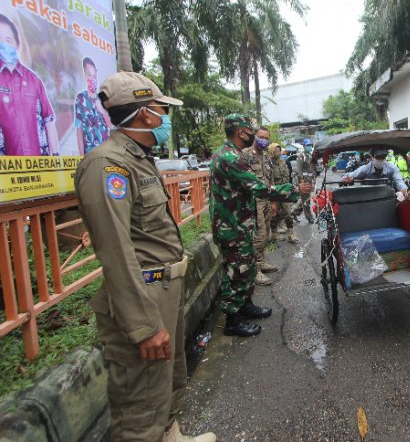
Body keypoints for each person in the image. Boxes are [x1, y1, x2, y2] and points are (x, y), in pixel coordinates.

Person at [75, 71, 215, 442]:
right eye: (159, 109)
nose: (163, 117)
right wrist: (141, 325)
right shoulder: (108, 165)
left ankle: (172, 436)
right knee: (141, 406)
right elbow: (116, 252)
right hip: (143, 295)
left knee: (167, 383)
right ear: (144, 114)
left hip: (163, 289)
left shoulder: (138, 157)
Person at [209, 115, 304, 338]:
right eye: (250, 130)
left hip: (239, 222)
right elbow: (259, 188)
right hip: (231, 226)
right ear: (241, 132)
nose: (253, 134)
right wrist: (294, 191)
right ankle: (233, 319)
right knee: (236, 271)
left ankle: (245, 306)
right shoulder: (231, 157)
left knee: (247, 266)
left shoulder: (227, 153)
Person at [0, 13, 59, 156]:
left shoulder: (34, 81)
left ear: (17, 44)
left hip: (38, 167)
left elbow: (48, 121)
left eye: (8, 40)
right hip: (7, 171)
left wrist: (56, 157)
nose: (3, 44)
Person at [241, 126, 278, 286]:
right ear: (254, 137)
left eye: (266, 137)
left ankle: (261, 261)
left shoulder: (267, 157)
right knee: (259, 235)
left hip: (267, 200)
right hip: (253, 201)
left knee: (267, 232)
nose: (264, 140)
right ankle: (254, 269)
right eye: (261, 136)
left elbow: (271, 180)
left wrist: (274, 201)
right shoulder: (246, 154)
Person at [75, 57, 112, 154]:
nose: (92, 79)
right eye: (89, 75)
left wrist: (102, 111)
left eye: (94, 76)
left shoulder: (103, 98)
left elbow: (110, 125)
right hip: (89, 154)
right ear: (85, 76)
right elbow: (79, 130)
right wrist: (82, 157)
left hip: (105, 152)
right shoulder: (80, 98)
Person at [341, 149, 409, 194]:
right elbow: (347, 176)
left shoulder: (392, 168)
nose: (380, 160)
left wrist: (404, 190)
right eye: (378, 157)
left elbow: (399, 181)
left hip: (386, 199)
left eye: (382, 158)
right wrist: (347, 179)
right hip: (369, 199)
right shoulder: (365, 169)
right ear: (372, 157)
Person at [269, 142, 297, 242]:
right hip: (275, 193)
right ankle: (274, 233)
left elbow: (288, 177)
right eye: (275, 150)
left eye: (279, 150)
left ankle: (291, 233)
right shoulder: (268, 164)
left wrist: (291, 187)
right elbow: (269, 180)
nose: (278, 152)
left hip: (285, 192)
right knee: (274, 214)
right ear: (271, 151)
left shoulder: (284, 162)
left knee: (288, 213)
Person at [293, 138, 316, 223]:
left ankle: (295, 213)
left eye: (310, 145)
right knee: (306, 200)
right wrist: (302, 180)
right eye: (308, 146)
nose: (309, 147)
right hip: (303, 180)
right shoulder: (300, 156)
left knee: (306, 199)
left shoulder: (310, 155)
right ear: (304, 146)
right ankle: (309, 217)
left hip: (309, 180)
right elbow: (299, 169)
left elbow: (312, 169)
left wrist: (313, 179)